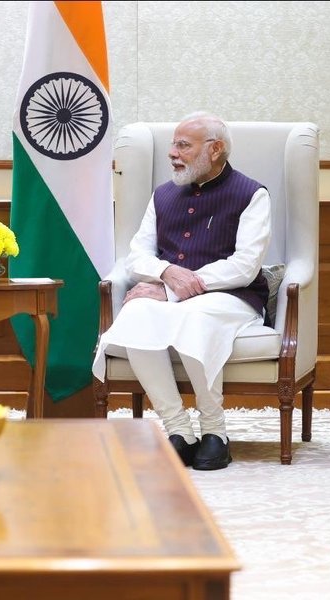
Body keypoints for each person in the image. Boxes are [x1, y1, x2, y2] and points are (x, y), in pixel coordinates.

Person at [92, 112, 271, 470]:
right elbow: (137, 255)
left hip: (233, 297)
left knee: (194, 315)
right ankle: (179, 431)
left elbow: (245, 265)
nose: (172, 153)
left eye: (183, 146)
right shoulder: (162, 195)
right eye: (173, 145)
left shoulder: (252, 194)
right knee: (135, 313)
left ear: (215, 150)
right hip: (170, 291)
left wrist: (173, 291)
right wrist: (166, 273)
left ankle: (215, 431)